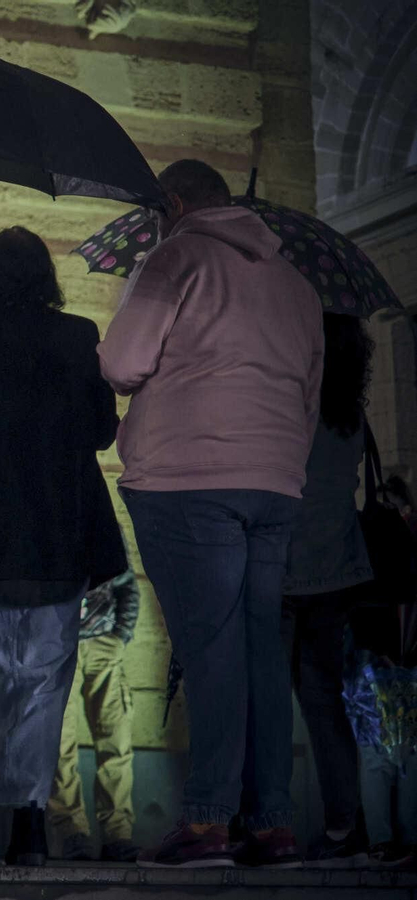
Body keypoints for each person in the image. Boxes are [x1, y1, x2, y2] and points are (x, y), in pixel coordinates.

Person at [98, 158, 323, 868]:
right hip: (277, 483)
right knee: (259, 647)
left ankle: (206, 822)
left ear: (172, 204)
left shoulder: (178, 256)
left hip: (189, 478)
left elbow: (121, 363)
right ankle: (273, 822)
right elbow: (310, 393)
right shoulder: (296, 284)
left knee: (211, 647)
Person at [0, 226, 127, 866]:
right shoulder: (78, 335)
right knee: (45, 690)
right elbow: (103, 431)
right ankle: (29, 824)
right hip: (60, 541)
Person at [280, 312, 377, 866]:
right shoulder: (352, 415)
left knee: (268, 696)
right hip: (337, 570)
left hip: (286, 567)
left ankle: (267, 822)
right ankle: (345, 826)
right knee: (324, 702)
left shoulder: (294, 408)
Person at [49, 567, 141, 864]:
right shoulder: (51, 527)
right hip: (60, 645)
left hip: (104, 644)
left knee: (116, 740)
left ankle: (118, 835)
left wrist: (119, 636)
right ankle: (72, 832)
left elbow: (128, 584)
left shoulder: (104, 525)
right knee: (59, 745)